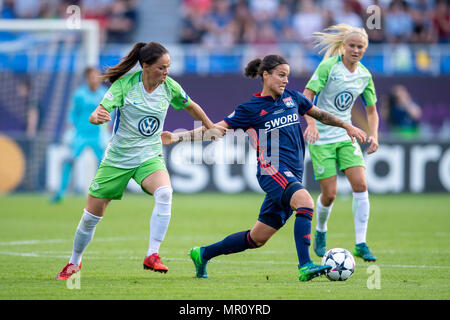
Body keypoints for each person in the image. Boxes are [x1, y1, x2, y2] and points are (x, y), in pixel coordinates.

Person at [162, 54, 367, 281]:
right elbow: (214, 130)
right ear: (266, 75)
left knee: (257, 238)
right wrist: (177, 138)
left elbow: (320, 114)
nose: (285, 80)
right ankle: (305, 264)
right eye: (281, 75)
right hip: (272, 170)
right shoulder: (250, 108)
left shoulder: (293, 98)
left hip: (292, 174)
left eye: (287, 76)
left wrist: (346, 125)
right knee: (306, 203)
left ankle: (202, 253)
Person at [56, 41, 226, 280]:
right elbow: (98, 112)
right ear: (145, 66)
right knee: (90, 218)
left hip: (149, 156)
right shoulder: (125, 86)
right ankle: (74, 262)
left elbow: (192, 107)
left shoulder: (169, 87)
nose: (166, 72)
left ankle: (152, 254)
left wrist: (211, 127)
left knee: (165, 193)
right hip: (118, 159)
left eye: (168, 67)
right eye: (161, 67)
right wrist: (97, 117)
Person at [302, 24, 380, 262]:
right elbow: (306, 97)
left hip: (346, 136)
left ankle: (361, 243)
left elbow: (372, 110)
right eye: (352, 46)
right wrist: (312, 124)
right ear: (343, 46)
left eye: (360, 47)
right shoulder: (328, 67)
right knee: (330, 194)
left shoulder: (365, 76)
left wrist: (374, 134)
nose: (356, 50)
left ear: (365, 49)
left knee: (360, 185)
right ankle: (321, 230)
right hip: (322, 138)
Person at [51, 67, 108, 203]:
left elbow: (109, 114)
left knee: (104, 164)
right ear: (87, 78)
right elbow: (72, 114)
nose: (96, 79)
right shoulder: (79, 94)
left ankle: (104, 192)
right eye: (93, 76)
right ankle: (60, 192)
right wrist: (70, 131)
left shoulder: (104, 93)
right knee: (70, 161)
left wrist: (107, 131)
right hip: (80, 135)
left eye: (98, 76)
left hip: (98, 135)